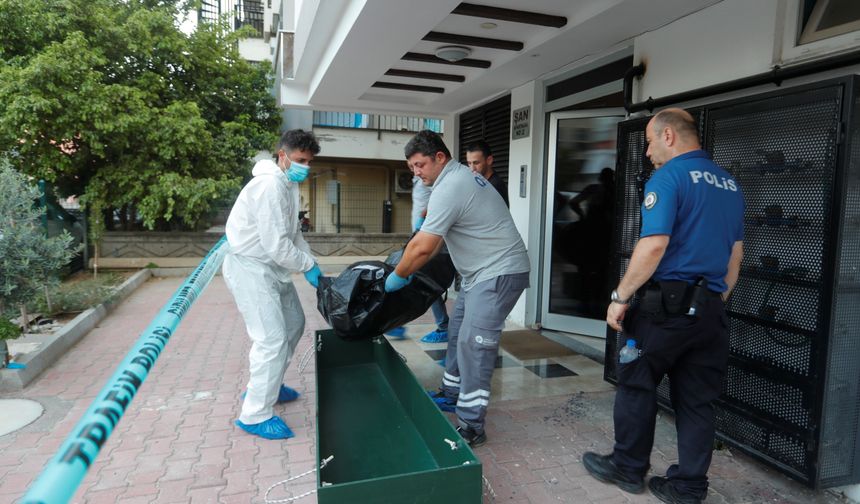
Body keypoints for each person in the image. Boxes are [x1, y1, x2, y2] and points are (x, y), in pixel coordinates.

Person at [582, 108, 744, 504]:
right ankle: (689, 487)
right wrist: (711, 301)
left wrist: (620, 297)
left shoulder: (668, 177)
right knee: (697, 401)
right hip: (710, 309)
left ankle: (627, 467)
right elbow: (736, 255)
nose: (649, 152)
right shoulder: (729, 184)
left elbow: (653, 245)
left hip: (665, 308)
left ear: (668, 136)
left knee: (637, 384)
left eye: (651, 143)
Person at [385, 130, 530, 447]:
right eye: (411, 167)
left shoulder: (451, 184)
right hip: (478, 274)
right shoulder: (454, 180)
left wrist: (397, 276)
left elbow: (425, 247)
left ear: (439, 157)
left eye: (420, 165)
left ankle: (471, 425)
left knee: (474, 345)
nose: (416, 172)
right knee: (457, 332)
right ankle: (452, 393)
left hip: (498, 272)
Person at [222, 129, 324, 440]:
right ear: (282, 155)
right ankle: (254, 414)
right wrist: (308, 266)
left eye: (308, 161)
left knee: (294, 324)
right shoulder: (268, 185)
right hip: (251, 269)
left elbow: (294, 235)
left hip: (272, 269)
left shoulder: (288, 184)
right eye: (299, 159)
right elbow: (275, 245)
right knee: (270, 339)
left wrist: (310, 259)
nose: (304, 166)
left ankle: (269, 385)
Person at [384, 165, 451, 343]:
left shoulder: (433, 178)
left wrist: (424, 219)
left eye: (418, 164)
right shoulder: (419, 176)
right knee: (424, 281)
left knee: (427, 281)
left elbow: (438, 202)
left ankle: (443, 326)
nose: (415, 168)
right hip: (420, 235)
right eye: (411, 164)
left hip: (429, 238)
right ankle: (397, 323)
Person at [465, 140, 509, 207]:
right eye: (469, 163)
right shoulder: (482, 182)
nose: (472, 169)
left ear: (489, 160)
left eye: (476, 163)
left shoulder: (494, 186)